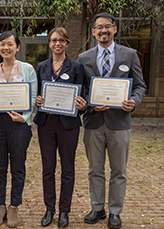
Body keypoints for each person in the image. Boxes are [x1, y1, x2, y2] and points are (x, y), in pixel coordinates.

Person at [78, 12, 146, 229]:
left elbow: (140, 86)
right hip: (94, 123)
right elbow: (82, 90)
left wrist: (134, 102)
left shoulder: (130, 55)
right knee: (94, 169)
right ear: (93, 31)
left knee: (119, 171)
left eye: (108, 27)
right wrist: (89, 104)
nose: (103, 31)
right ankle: (97, 208)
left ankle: (115, 212)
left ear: (115, 29)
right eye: (99, 27)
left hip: (119, 123)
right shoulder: (84, 58)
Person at [33, 27, 86, 228]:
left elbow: (82, 96)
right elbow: (37, 93)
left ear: (67, 43)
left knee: (67, 169)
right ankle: (49, 209)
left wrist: (82, 105)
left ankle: (64, 211)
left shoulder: (76, 67)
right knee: (48, 168)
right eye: (54, 40)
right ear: (49, 43)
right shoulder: (41, 67)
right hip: (46, 123)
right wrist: (37, 100)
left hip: (68, 124)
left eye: (62, 40)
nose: (58, 44)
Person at [0, 31, 37, 228]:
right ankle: (0, 206)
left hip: (19, 124)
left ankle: (14, 206)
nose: (5, 48)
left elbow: (32, 97)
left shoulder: (27, 69)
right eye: (2, 45)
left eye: (9, 44)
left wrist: (24, 118)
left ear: (17, 47)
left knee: (18, 167)